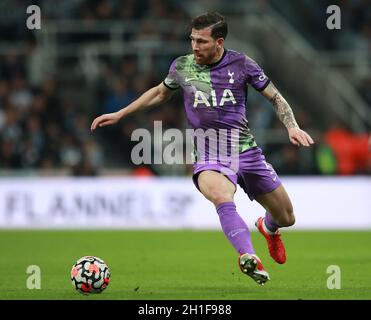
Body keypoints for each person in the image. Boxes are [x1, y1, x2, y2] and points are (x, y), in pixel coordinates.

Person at [91, 12, 314, 285]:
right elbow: (160, 92)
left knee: (287, 217)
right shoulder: (182, 66)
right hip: (209, 154)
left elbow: (276, 97)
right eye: (192, 40)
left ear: (219, 42)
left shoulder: (243, 64)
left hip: (246, 151)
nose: (195, 46)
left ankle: (268, 228)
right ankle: (248, 256)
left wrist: (291, 125)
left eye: (202, 41)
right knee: (222, 195)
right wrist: (121, 113)